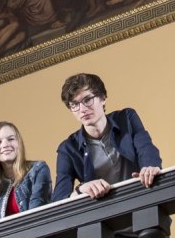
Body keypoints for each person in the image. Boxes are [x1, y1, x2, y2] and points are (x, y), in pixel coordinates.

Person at [53, 74, 167, 236]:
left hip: (145, 217)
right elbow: (59, 199)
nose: (82, 109)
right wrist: (80, 190)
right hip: (105, 229)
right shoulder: (67, 149)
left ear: (103, 98)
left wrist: (150, 166)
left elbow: (146, 148)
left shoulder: (127, 118)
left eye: (87, 100)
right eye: (74, 105)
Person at [0, 122, 52, 224]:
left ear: (19, 144)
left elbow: (36, 213)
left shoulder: (38, 169)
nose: (5, 145)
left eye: (11, 139)